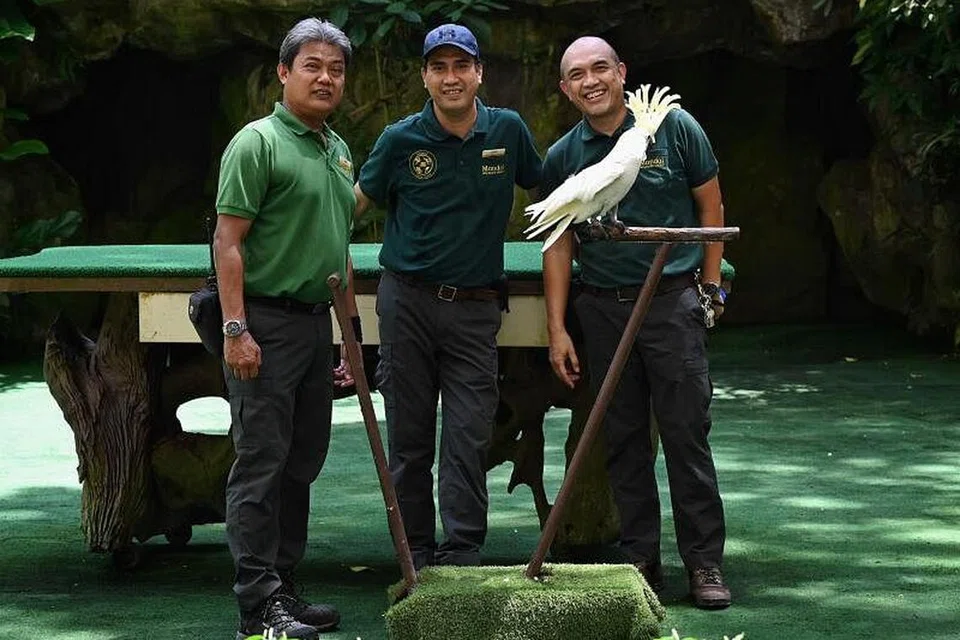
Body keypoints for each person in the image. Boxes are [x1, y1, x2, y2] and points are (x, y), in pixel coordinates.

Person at [540, 36, 732, 609]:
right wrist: (557, 327)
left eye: (601, 67)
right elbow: (557, 243)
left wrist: (712, 285)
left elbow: (711, 207)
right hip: (602, 306)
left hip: (673, 302)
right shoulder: (563, 155)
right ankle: (640, 560)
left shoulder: (675, 128)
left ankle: (704, 564)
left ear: (622, 72)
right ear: (565, 88)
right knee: (622, 437)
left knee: (686, 433)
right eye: (577, 74)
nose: (591, 80)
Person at [353, 24, 542, 570]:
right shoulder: (399, 139)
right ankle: (414, 550)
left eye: (462, 66)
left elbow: (548, 191)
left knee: (468, 433)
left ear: (479, 73)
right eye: (440, 67)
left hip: (476, 305)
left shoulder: (507, 130)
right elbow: (354, 205)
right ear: (425, 76)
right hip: (406, 301)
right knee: (409, 434)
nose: (451, 77)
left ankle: (461, 551)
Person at [213, 18, 360, 640]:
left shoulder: (338, 148)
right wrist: (235, 328)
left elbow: (341, 251)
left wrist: (350, 338)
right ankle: (256, 609)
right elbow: (228, 239)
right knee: (261, 464)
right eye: (313, 66)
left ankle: (283, 585)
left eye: (336, 69)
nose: (326, 77)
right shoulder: (257, 143)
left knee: (301, 462)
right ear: (283, 72)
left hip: (312, 325)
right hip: (264, 323)